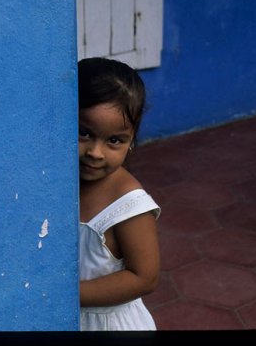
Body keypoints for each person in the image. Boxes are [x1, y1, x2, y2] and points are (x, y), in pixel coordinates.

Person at [77, 57, 160, 331]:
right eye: (83, 133)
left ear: (131, 140)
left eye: (114, 140)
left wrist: (66, 295)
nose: (95, 153)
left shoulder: (129, 205)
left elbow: (144, 277)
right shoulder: (59, 181)